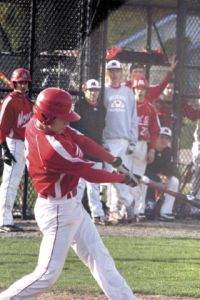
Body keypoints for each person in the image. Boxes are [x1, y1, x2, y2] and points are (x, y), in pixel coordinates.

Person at [0, 87, 138, 300]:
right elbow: (90, 173)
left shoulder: (41, 125)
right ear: (46, 117)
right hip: (57, 211)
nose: (68, 122)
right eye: (63, 118)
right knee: (47, 273)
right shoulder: (51, 149)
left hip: (71, 206)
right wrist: (123, 178)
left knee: (100, 258)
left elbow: (82, 140)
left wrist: (114, 161)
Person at [103, 59, 138, 223]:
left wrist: (133, 140)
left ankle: (120, 210)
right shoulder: (103, 91)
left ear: (121, 73)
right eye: (112, 71)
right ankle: (127, 203)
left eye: (117, 71)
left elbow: (133, 118)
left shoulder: (128, 92)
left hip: (124, 139)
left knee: (123, 175)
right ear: (107, 73)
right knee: (111, 175)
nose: (115, 73)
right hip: (108, 140)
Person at [0, 68, 33, 233]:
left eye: (25, 82)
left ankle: (6, 219)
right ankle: (4, 220)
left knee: (15, 181)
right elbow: (1, 127)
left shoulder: (27, 102)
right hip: (12, 143)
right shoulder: (9, 101)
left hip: (25, 144)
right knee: (10, 182)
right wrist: (4, 149)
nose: (23, 84)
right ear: (14, 83)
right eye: (20, 82)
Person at [71, 79, 107, 225]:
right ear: (84, 91)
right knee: (79, 185)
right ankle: (74, 214)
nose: (93, 93)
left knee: (94, 185)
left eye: (96, 90)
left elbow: (101, 129)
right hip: (81, 149)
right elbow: (73, 127)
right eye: (90, 90)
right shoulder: (79, 106)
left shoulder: (102, 108)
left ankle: (97, 215)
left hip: (95, 149)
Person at [127, 76, 160, 222]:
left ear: (146, 90)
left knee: (140, 178)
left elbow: (154, 131)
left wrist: (152, 149)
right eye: (138, 88)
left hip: (142, 145)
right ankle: (125, 209)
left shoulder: (150, 108)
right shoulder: (128, 105)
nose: (140, 91)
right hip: (127, 143)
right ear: (134, 89)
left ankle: (139, 210)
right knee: (126, 176)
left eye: (143, 89)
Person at [145, 127, 179, 221]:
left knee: (174, 181)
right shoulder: (148, 147)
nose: (164, 140)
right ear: (156, 137)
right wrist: (159, 176)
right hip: (147, 177)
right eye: (162, 137)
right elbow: (143, 169)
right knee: (145, 179)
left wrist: (166, 177)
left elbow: (169, 168)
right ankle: (144, 210)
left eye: (167, 138)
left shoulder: (168, 151)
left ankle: (166, 211)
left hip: (160, 178)